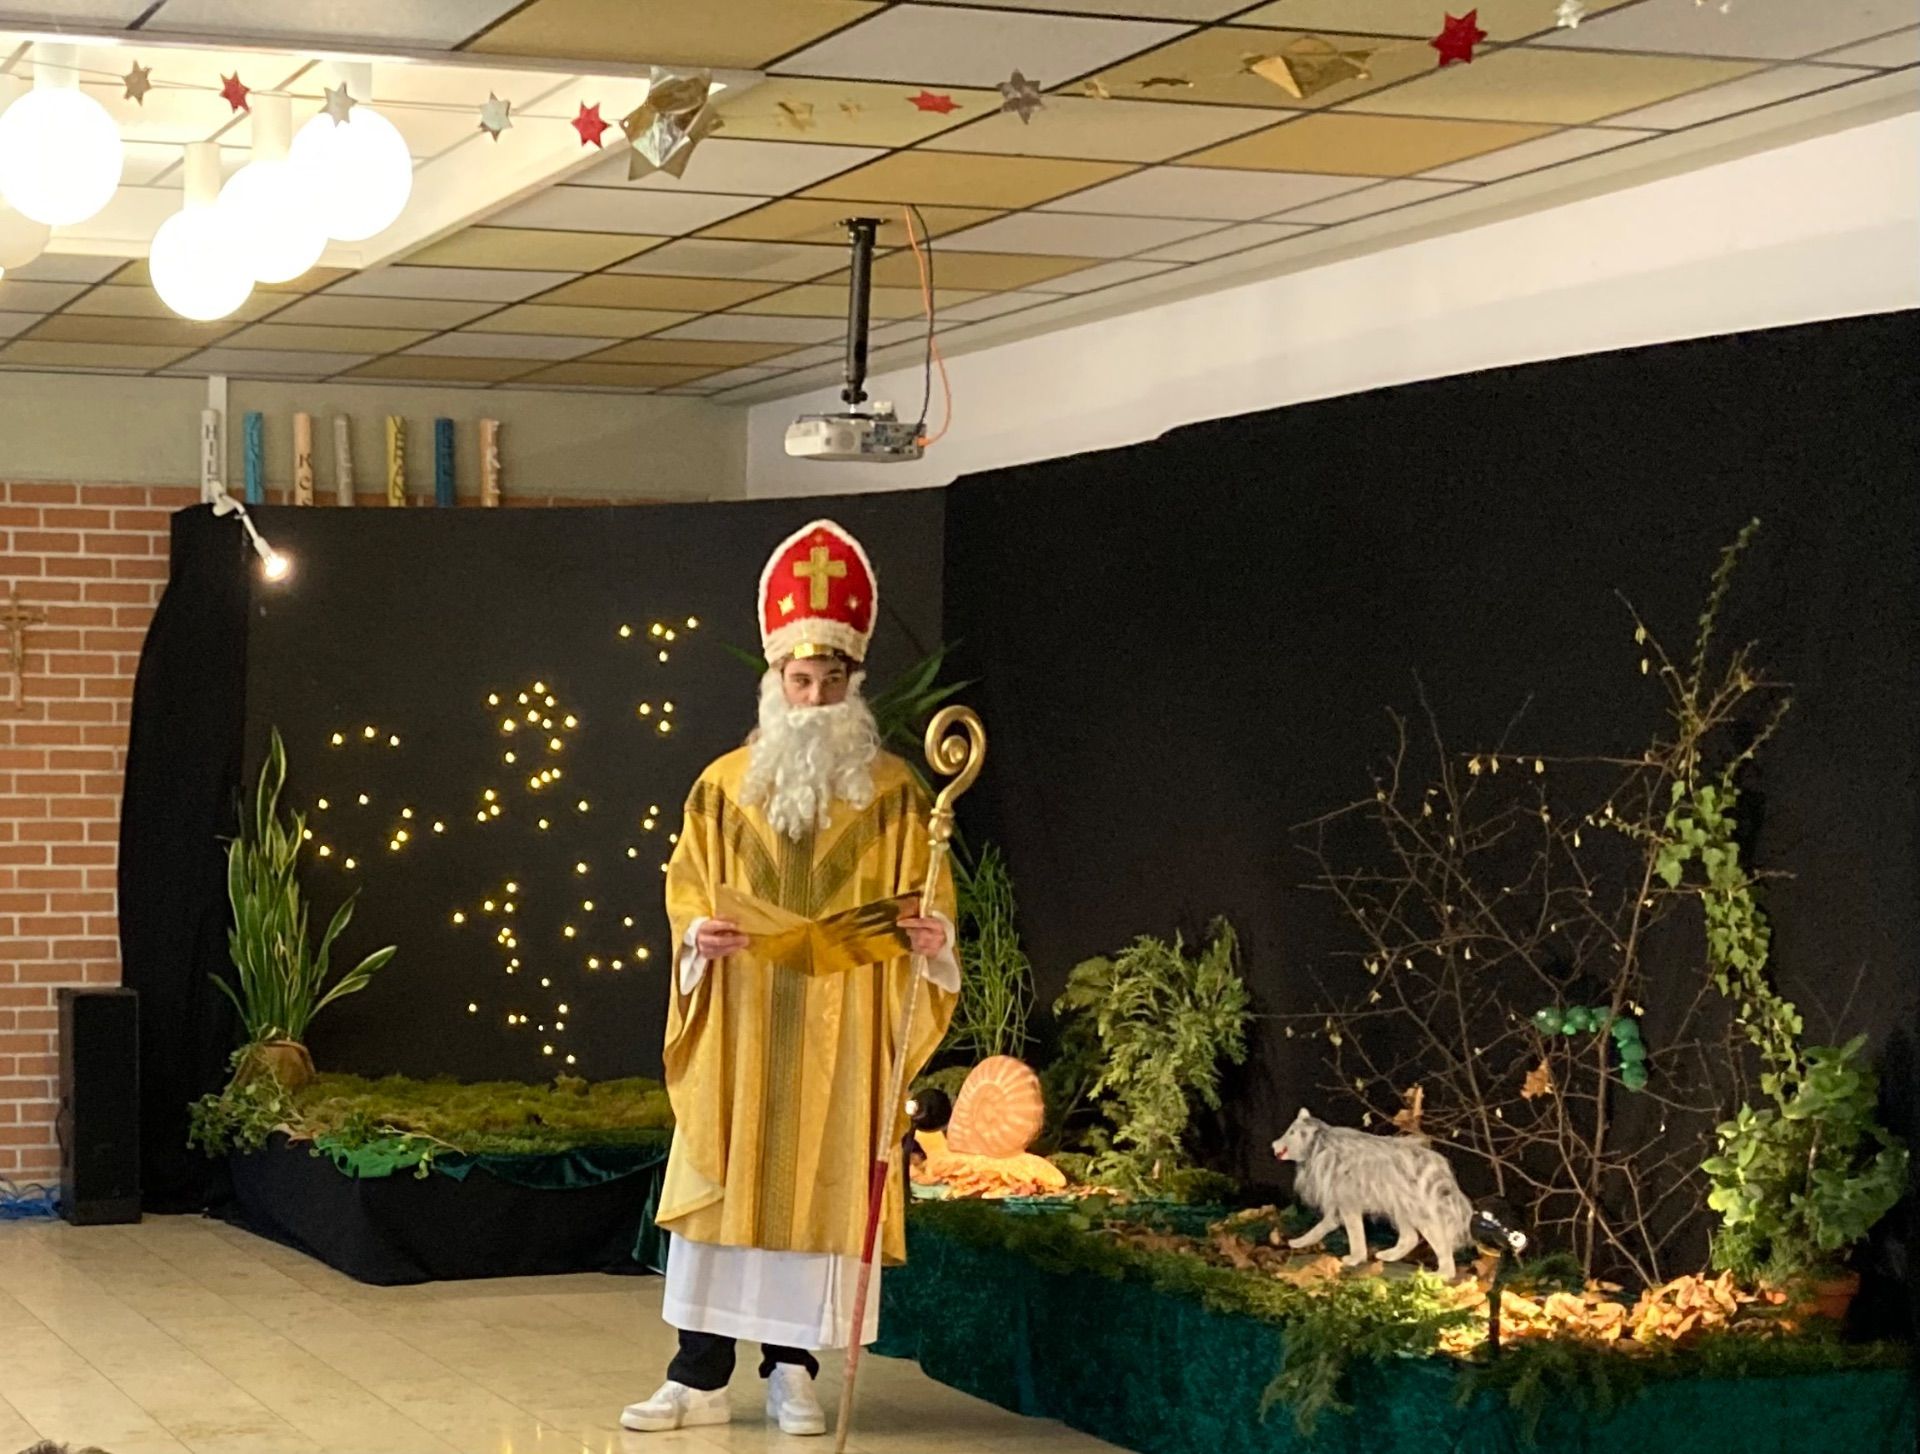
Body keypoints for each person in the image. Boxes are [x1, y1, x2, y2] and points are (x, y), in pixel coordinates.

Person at [622, 519, 960, 1436]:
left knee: (820, 1189)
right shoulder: (721, 787)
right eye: (800, 682)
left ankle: (793, 1373)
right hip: (739, 1024)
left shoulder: (898, 797)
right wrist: (699, 938)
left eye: (830, 682)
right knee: (721, 1182)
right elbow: (687, 894)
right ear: (774, 682)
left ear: (854, 686)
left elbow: (930, 914)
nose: (814, 699)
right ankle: (696, 1377)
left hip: (842, 1034)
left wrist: (930, 940)